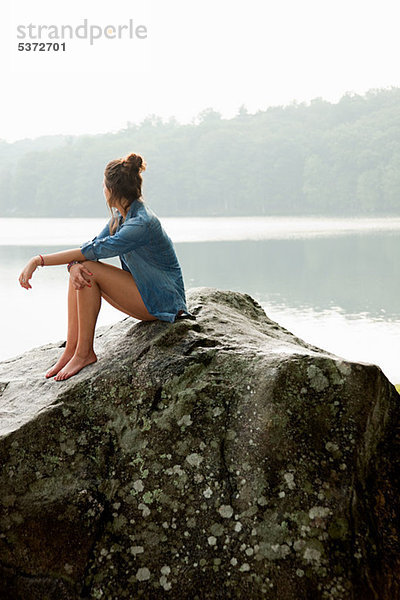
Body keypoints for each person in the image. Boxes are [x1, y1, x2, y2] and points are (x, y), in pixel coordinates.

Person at [18, 152, 195, 382]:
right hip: (148, 294)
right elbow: (89, 248)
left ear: (112, 190)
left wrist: (39, 260)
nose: (102, 190)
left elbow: (88, 254)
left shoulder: (140, 224)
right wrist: (73, 266)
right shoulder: (121, 218)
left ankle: (84, 353)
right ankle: (72, 350)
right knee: (83, 270)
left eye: (104, 185)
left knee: (89, 270)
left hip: (164, 302)